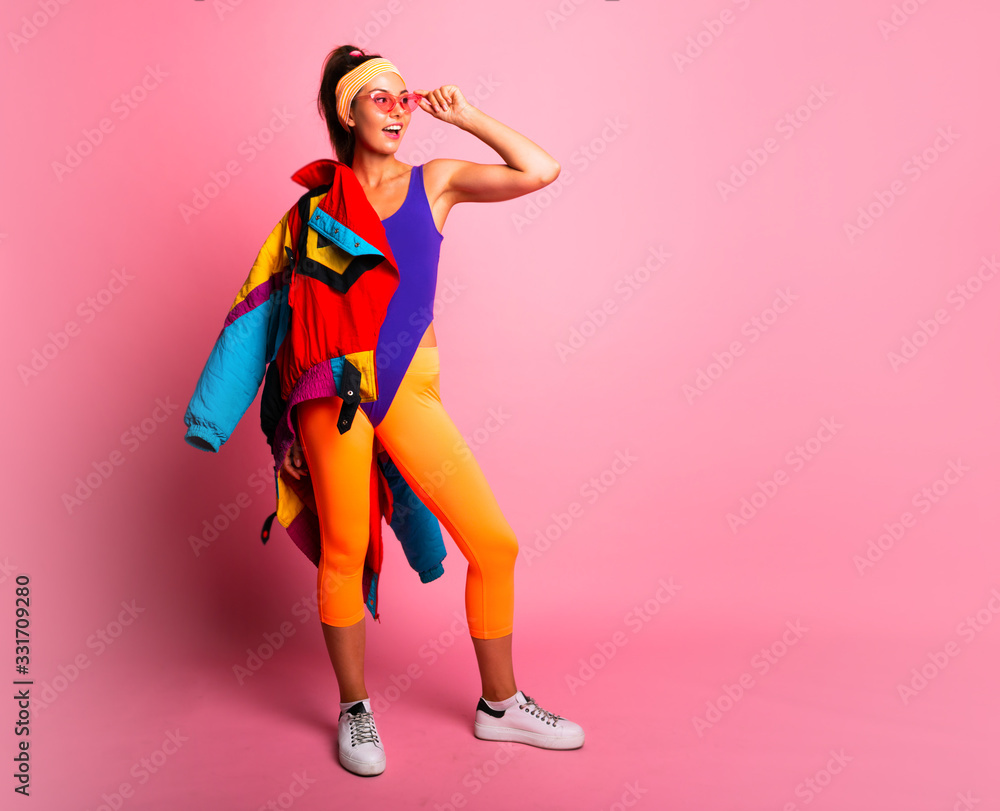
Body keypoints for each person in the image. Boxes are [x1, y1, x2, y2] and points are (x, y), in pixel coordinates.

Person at [285, 45, 584, 777]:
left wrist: (468, 115)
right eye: (377, 98)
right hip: (336, 396)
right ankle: (354, 708)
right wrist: (288, 421)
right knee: (344, 553)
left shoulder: (436, 182)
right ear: (345, 112)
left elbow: (539, 169)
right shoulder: (315, 209)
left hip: (410, 388)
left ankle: (500, 704)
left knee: (494, 542)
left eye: (402, 97)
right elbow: (297, 323)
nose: (396, 110)